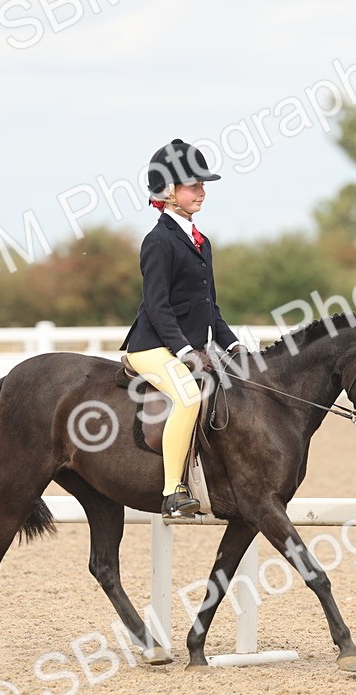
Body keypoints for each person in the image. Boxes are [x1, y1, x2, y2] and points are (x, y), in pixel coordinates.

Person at [120, 139, 247, 518]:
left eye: (202, 185)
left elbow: (210, 308)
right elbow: (157, 308)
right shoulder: (158, 241)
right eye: (194, 185)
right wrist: (184, 351)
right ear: (169, 192)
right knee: (189, 397)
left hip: (183, 345)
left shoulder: (201, 242)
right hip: (151, 347)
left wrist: (235, 345)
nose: (202, 192)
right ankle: (173, 492)